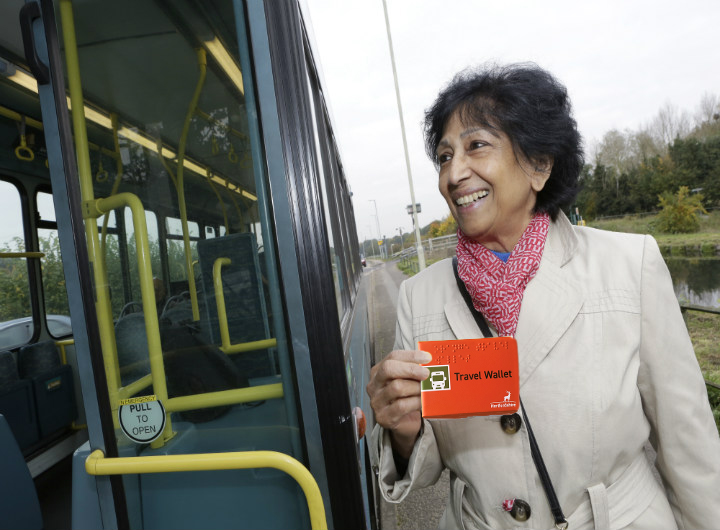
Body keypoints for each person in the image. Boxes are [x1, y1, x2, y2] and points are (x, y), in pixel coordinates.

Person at [366, 63, 720, 530]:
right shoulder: (419, 297)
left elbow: (688, 443)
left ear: (539, 165)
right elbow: (429, 467)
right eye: (444, 155)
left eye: (476, 146)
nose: (454, 173)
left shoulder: (628, 264)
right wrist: (403, 432)